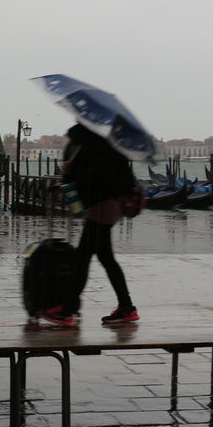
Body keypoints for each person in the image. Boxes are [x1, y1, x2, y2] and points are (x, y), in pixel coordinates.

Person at [47, 124, 139, 327]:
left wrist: (73, 176)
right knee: (105, 258)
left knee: (83, 257)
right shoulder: (102, 142)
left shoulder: (99, 144)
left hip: (105, 205)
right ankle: (126, 307)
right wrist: (69, 178)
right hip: (105, 205)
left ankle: (67, 310)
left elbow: (98, 175)